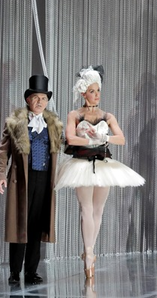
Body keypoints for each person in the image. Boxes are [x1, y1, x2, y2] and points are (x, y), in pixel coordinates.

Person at [55, 65, 145, 279]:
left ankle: (90, 251)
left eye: (98, 91)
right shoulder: (74, 114)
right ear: (83, 92)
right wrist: (89, 138)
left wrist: (103, 137)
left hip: (103, 163)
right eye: (92, 91)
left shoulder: (107, 115)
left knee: (98, 209)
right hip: (82, 164)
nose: (96, 95)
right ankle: (88, 254)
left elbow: (121, 139)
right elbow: (70, 138)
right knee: (85, 208)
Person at [0, 75, 63, 284]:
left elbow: (67, 146)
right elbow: (3, 151)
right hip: (21, 180)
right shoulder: (16, 123)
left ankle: (31, 271)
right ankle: (15, 272)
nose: (40, 102)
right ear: (28, 100)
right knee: (19, 226)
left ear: (47, 101)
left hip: (44, 180)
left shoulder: (53, 125)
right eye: (36, 98)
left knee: (36, 226)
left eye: (43, 98)